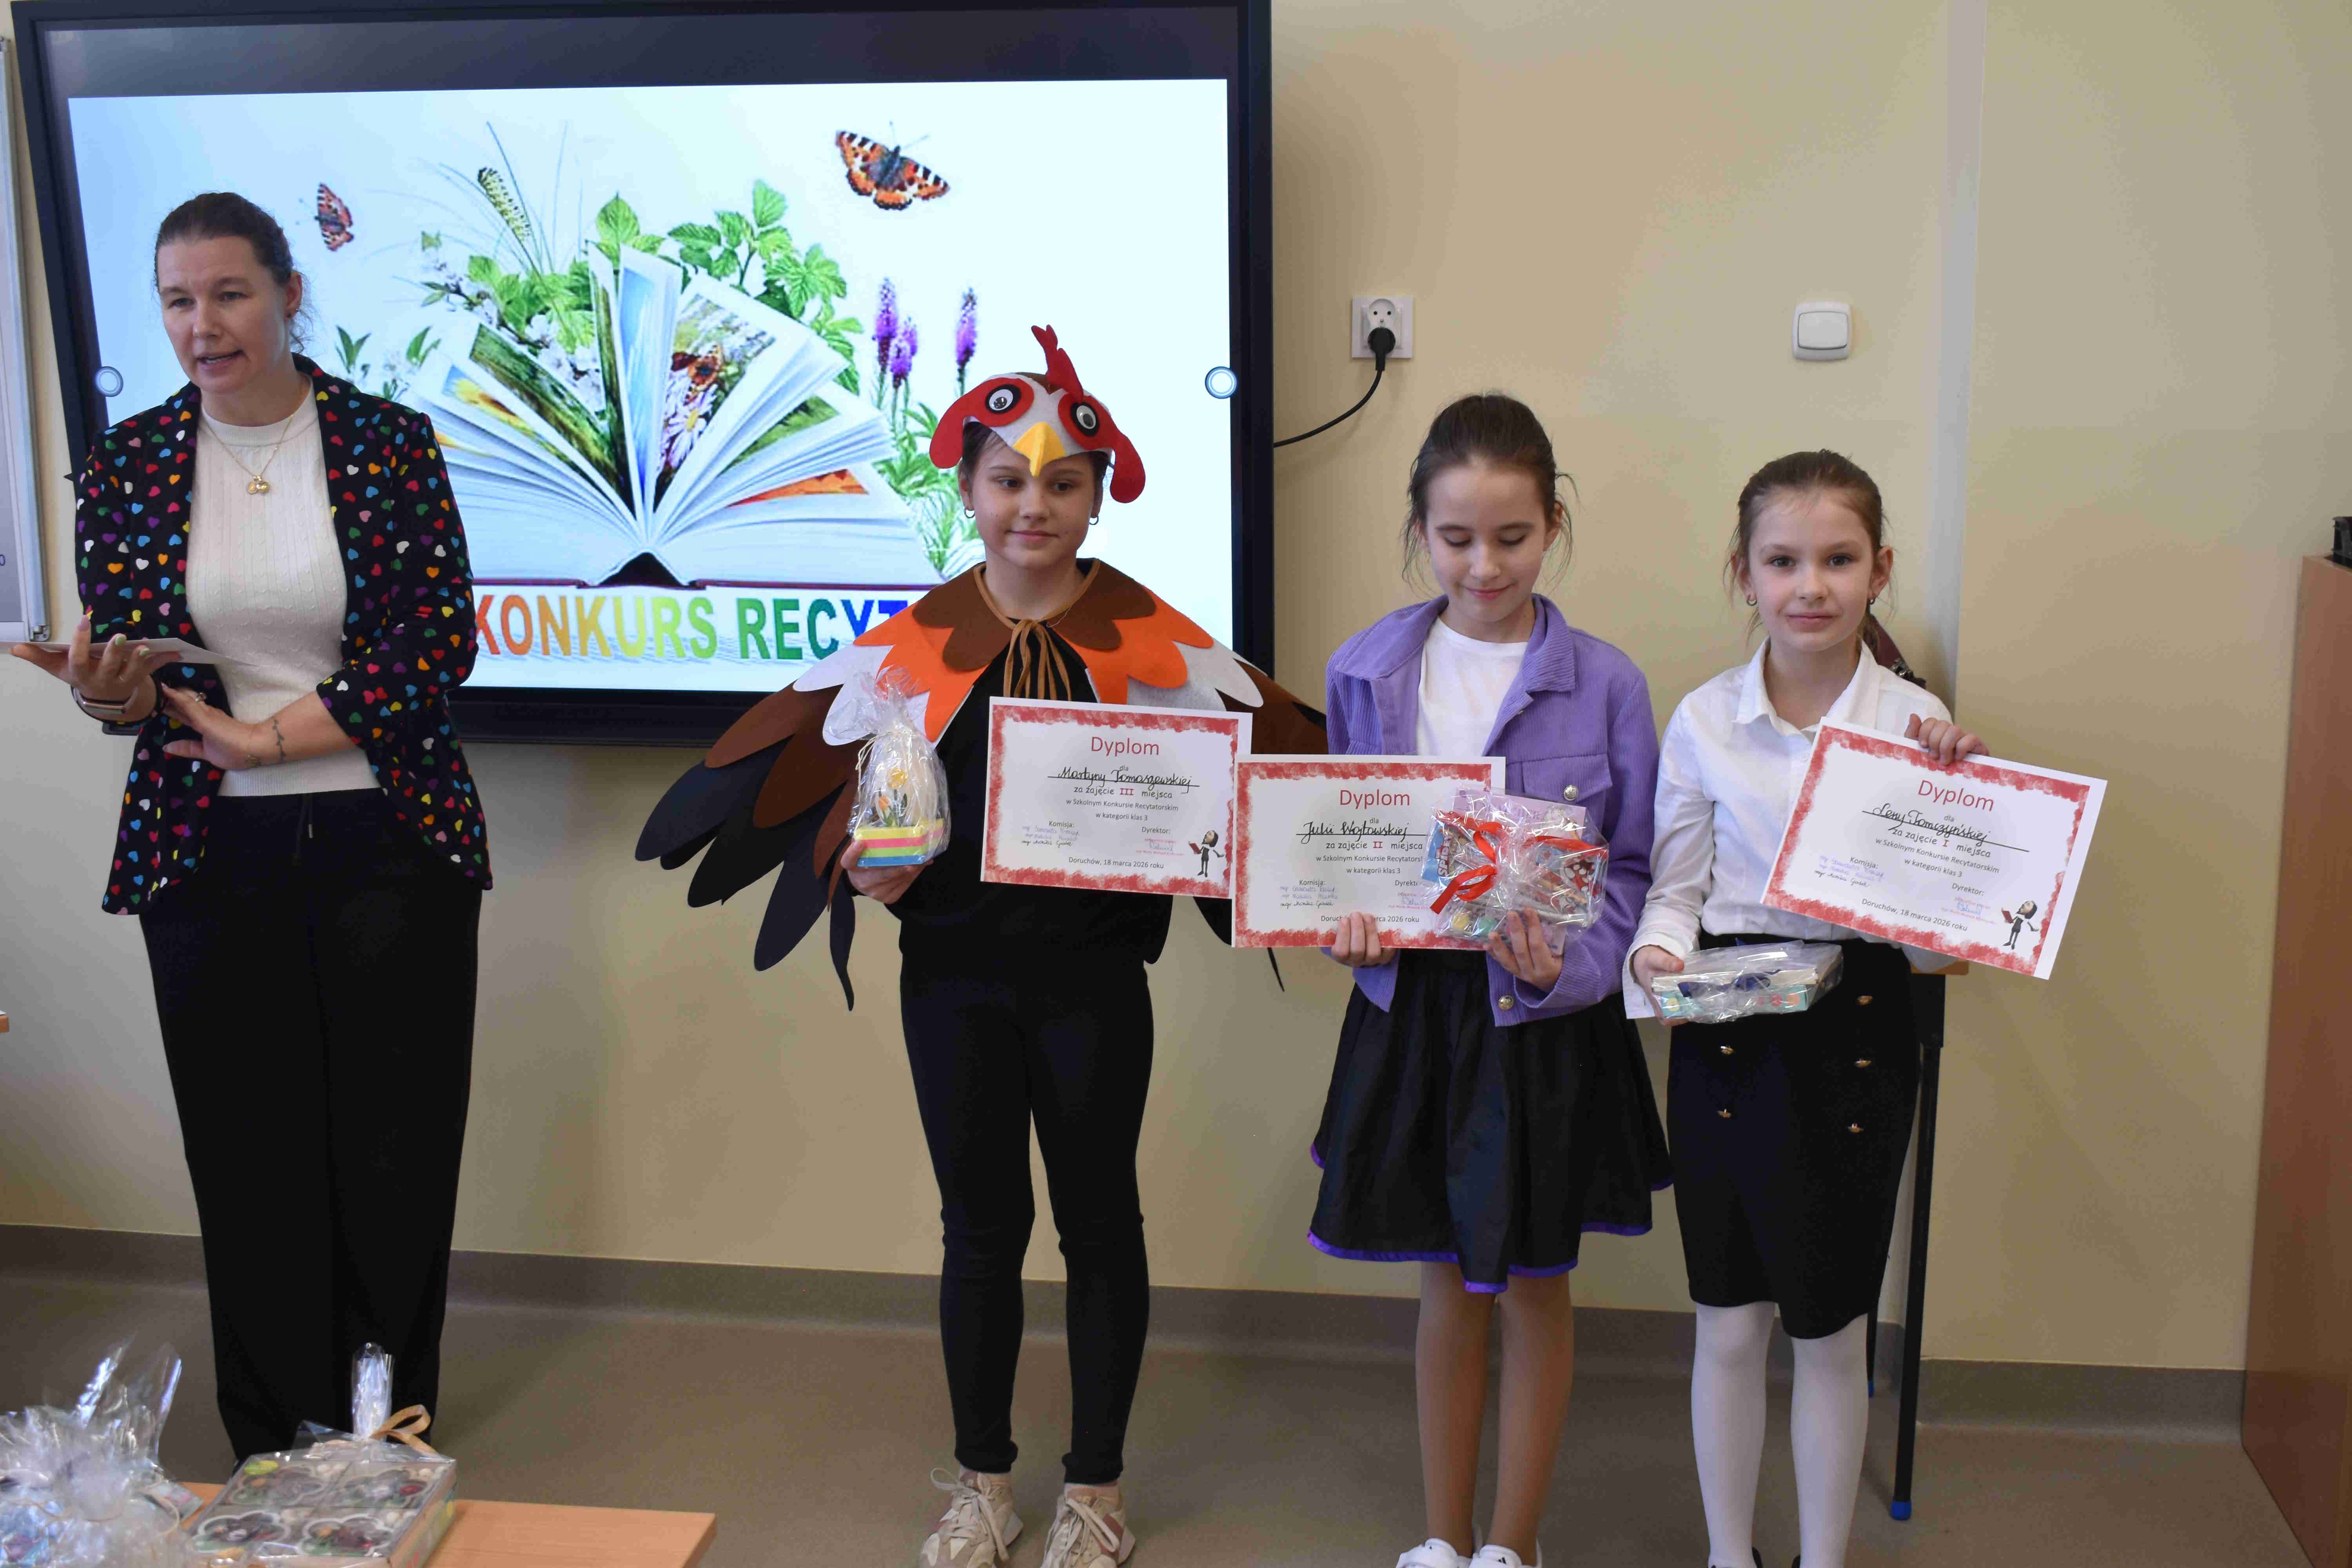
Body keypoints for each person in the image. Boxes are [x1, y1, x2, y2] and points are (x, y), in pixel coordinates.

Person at [636, 325, 1321, 1568]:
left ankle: (1098, 1488)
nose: (1033, 506)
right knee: (980, 1230)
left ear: (1098, 497)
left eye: (1063, 483)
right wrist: (866, 870)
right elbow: (849, 806)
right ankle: (984, 1480)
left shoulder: (1156, 642)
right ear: (965, 490)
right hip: (951, 983)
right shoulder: (914, 647)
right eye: (1008, 480)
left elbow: (1276, 775)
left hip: (1096, 985)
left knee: (1100, 1222)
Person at [8, 192, 489, 1457]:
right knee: (247, 1154)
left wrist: (269, 740)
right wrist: (107, 689)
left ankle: (385, 1429)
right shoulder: (130, 460)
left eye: (229, 294)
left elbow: (437, 642)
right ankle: (274, 1440)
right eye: (178, 300)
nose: (202, 325)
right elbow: (133, 685)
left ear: (289, 295)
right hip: (205, 851)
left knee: (393, 1151)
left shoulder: (385, 441)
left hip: (390, 835)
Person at [1311, 394, 1669, 1568]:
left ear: (1553, 525)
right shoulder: (1366, 670)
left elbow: (1632, 868)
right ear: (1419, 529)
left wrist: (1573, 964)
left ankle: (1514, 1546)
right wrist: (1346, 931)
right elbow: (1345, 845)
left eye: (1512, 537)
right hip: (1419, 1013)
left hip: (1543, 1020)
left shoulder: (1606, 684)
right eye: (1457, 537)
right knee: (1444, 1282)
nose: (1484, 565)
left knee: (1532, 1284)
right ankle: (1442, 1538)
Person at [1624, 450, 1981, 1568]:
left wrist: (1963, 808)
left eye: (1838, 559)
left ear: (1881, 570)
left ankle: (1823, 1561)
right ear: (1744, 573)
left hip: (1859, 1032)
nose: (1810, 586)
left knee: (1831, 1326)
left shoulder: (1917, 724)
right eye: (1783, 561)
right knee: (1730, 1321)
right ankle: (1731, 1556)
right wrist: (1656, 963)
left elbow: (1934, 949)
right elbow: (1675, 890)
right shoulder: (1704, 720)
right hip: (1729, 1024)